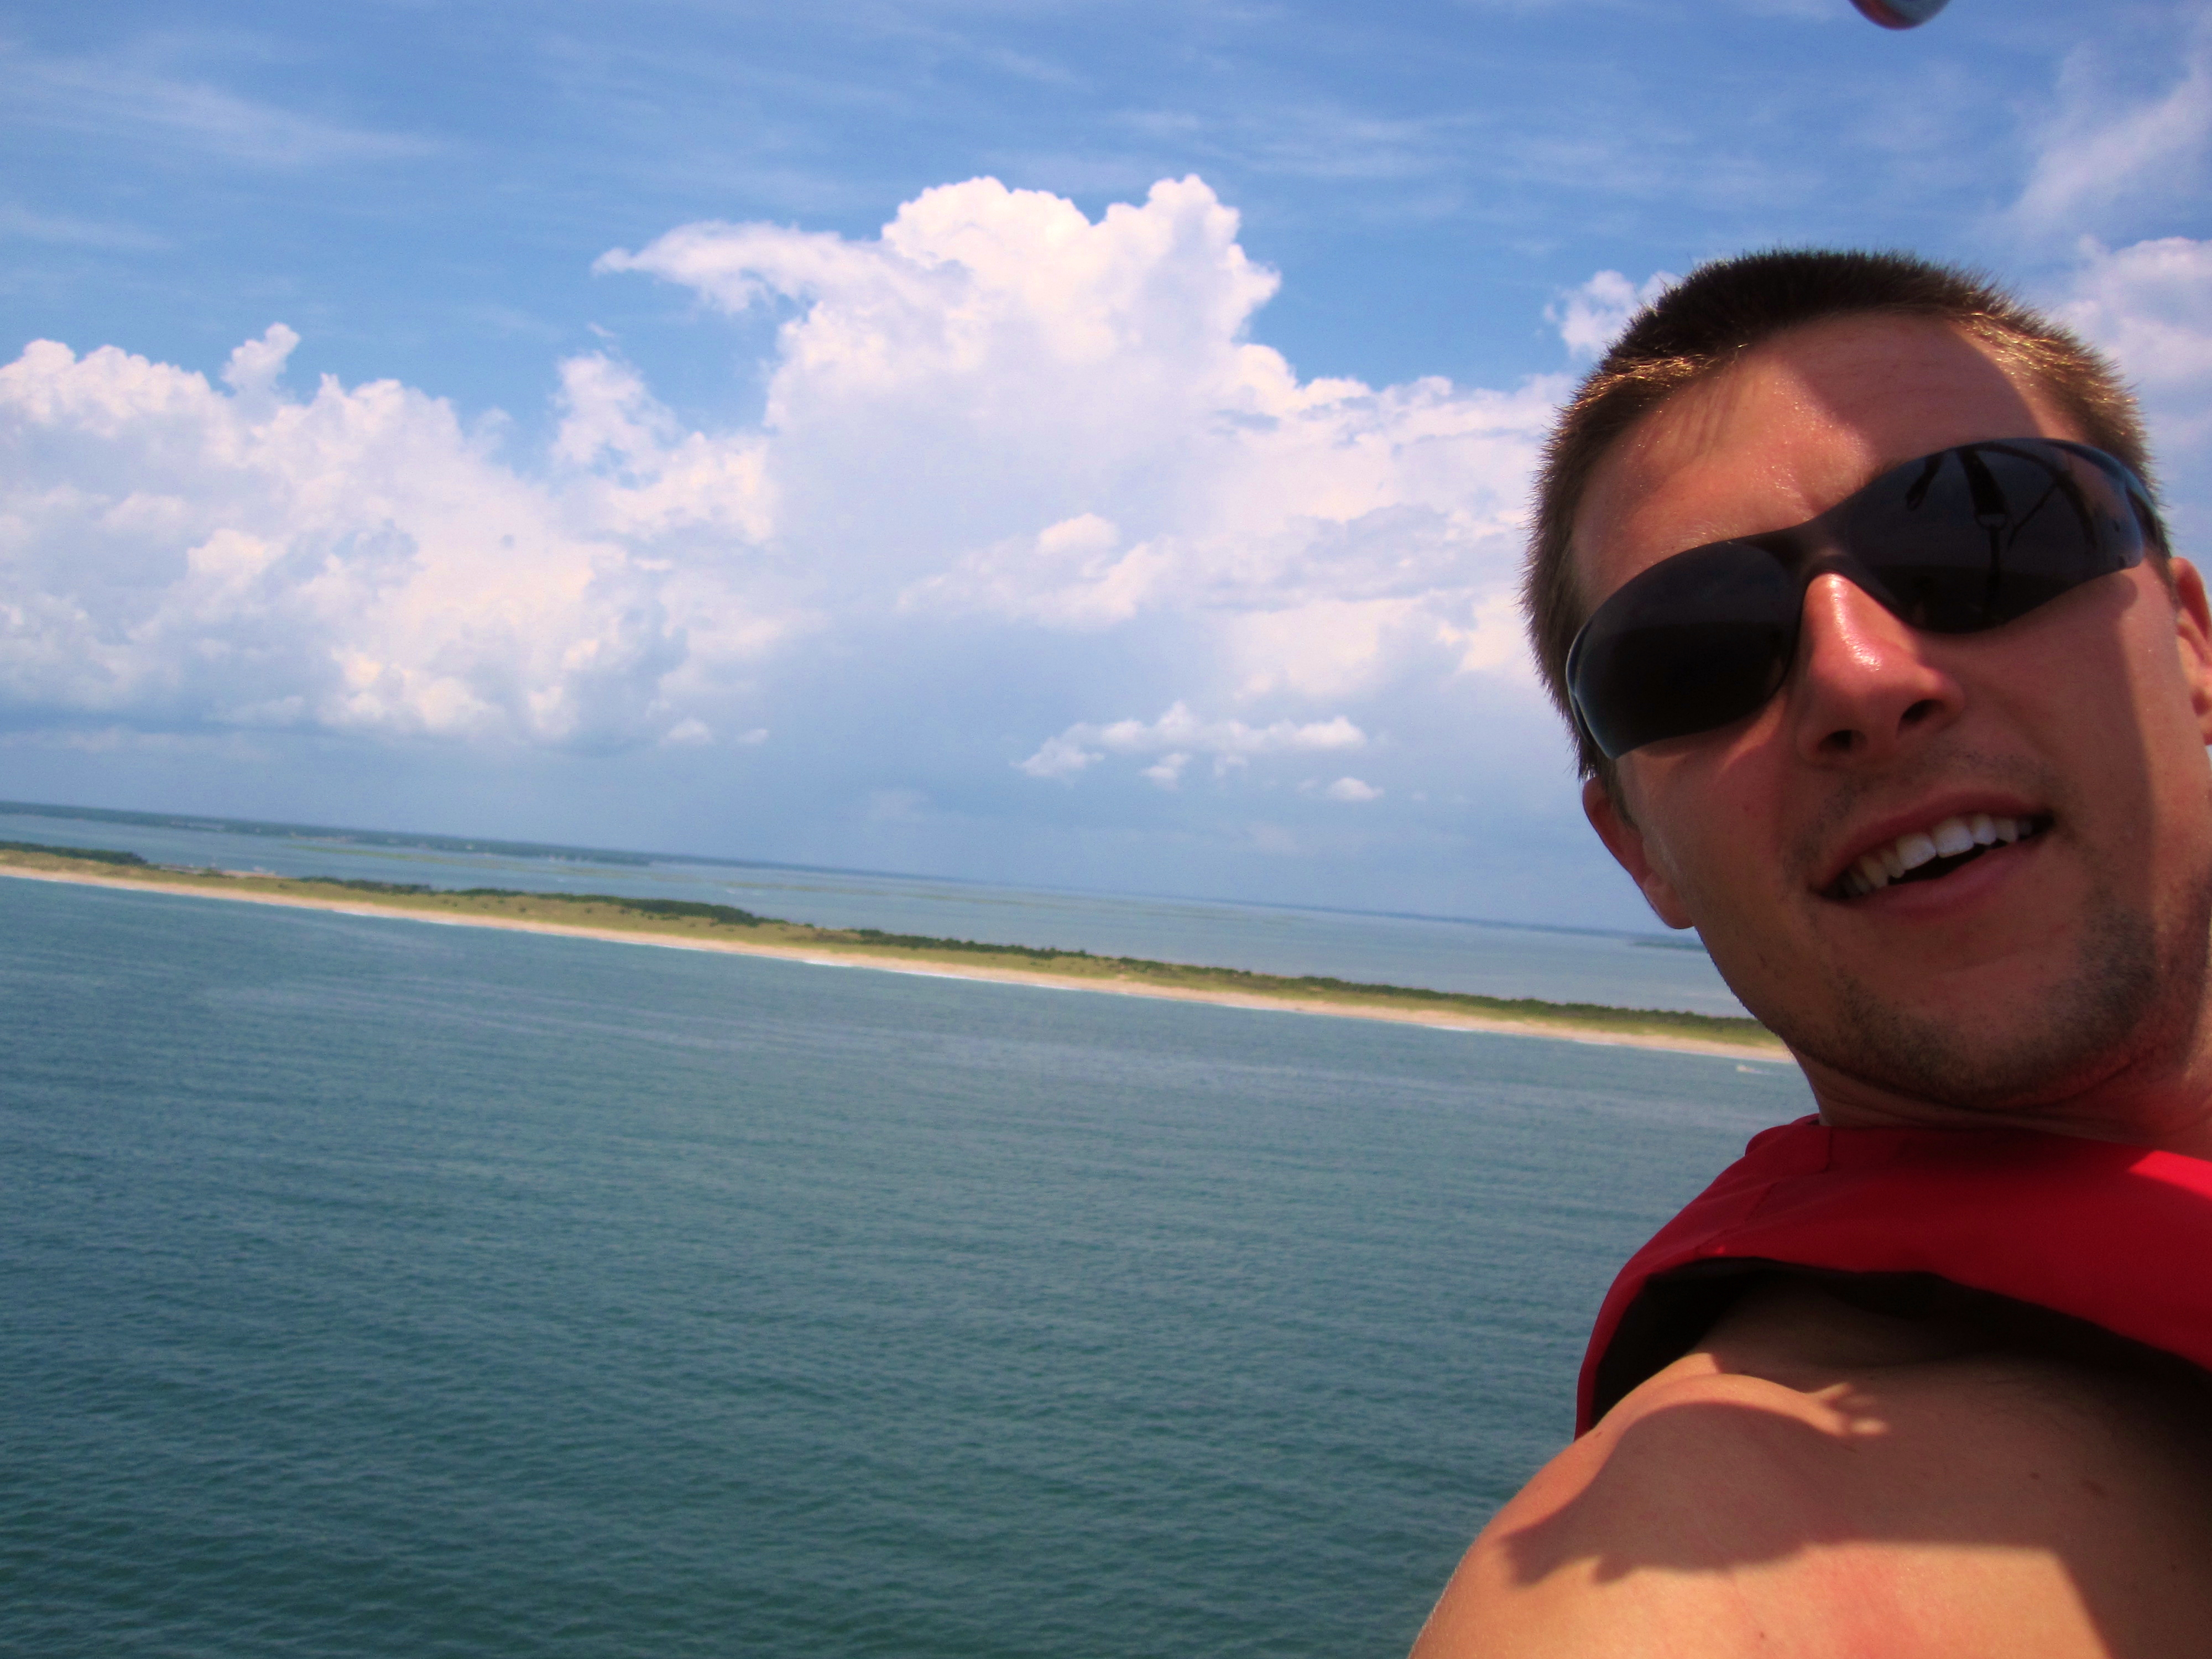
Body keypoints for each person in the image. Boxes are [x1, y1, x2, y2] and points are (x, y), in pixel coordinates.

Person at [1410, 250, 2212, 1657]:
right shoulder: (1695, 1590)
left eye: (1982, 533)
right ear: (1637, 848)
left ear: (2191, 643)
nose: (1857, 674)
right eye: (1690, 653)